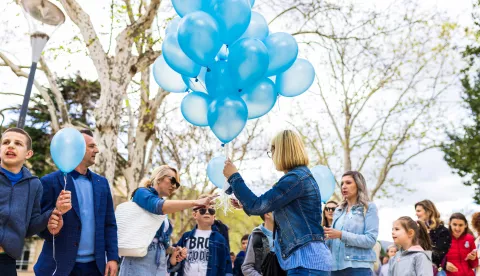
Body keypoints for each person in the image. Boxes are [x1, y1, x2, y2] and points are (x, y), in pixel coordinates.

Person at [223, 129, 332, 275]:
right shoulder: (300, 178)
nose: (272, 157)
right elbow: (276, 209)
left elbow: (258, 205)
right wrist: (245, 204)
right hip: (308, 262)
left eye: (272, 151)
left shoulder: (294, 180)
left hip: (306, 263)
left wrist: (234, 176)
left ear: (281, 151)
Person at [34, 129, 118, 276]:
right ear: (76, 147)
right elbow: (39, 226)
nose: (97, 150)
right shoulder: (49, 182)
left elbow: (109, 224)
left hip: (95, 268)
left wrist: (112, 257)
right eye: (91, 146)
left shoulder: (102, 183)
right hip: (59, 268)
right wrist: (54, 217)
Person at [119, 166, 218, 276]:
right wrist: (196, 202)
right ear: (159, 178)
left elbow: (161, 244)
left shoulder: (164, 208)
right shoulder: (142, 193)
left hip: (159, 266)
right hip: (138, 263)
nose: (174, 186)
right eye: (173, 180)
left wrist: (173, 251)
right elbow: (158, 207)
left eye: (177, 184)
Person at [0, 128, 68, 276]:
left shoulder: (34, 185)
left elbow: (30, 227)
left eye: (18, 143)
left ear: (28, 154)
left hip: (7, 260)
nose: (10, 146)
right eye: (6, 142)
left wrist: (53, 212)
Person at [325, 171, 379, 276]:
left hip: (358, 268)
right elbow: (332, 240)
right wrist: (325, 236)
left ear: (359, 185)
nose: (344, 187)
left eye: (348, 183)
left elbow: (370, 240)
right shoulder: (338, 210)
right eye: (342, 184)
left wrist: (341, 234)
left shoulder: (369, 208)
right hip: (334, 269)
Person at [167, 196, 233, 276]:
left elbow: (227, 265)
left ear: (214, 217)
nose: (207, 212)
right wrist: (174, 258)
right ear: (194, 215)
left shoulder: (220, 239)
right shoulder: (186, 237)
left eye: (211, 210)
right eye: (202, 210)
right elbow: (173, 262)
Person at [415, 200, 451, 271]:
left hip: (433, 270)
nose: (416, 214)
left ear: (428, 212)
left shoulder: (443, 231)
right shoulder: (416, 230)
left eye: (419, 211)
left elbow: (437, 256)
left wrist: (425, 233)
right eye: (416, 211)